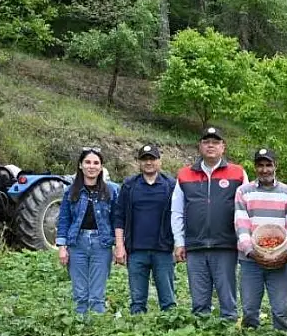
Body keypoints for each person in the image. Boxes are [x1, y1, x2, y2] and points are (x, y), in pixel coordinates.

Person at [171, 127, 249, 319]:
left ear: (223, 147)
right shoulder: (185, 174)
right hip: (195, 246)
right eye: (206, 142)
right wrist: (179, 241)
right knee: (199, 302)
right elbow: (177, 210)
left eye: (215, 142)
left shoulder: (238, 173)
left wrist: (244, 239)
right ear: (200, 146)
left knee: (228, 301)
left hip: (226, 245)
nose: (211, 146)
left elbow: (246, 209)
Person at [234, 148, 287, 330]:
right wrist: (251, 252)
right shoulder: (243, 192)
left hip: (279, 259)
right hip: (250, 260)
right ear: (255, 167)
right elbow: (241, 225)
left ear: (275, 166)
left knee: (281, 308)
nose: (264, 170)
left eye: (268, 165)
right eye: (260, 165)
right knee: (249, 308)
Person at [113, 144, 177, 314]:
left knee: (168, 301)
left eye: (152, 158)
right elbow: (119, 217)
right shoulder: (129, 185)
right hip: (136, 250)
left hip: (163, 249)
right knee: (137, 302)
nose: (148, 162)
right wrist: (119, 245)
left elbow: (179, 216)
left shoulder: (171, 185)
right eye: (144, 159)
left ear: (159, 161)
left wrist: (178, 244)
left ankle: (170, 331)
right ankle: (137, 333)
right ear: (139, 162)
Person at [56, 147, 119, 314]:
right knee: (80, 294)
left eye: (96, 163)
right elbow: (64, 220)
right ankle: (80, 330)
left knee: (97, 295)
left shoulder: (111, 191)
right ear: (80, 165)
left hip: (102, 244)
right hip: (77, 244)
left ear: (101, 167)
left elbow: (117, 220)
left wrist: (118, 244)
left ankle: (97, 332)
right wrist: (62, 247)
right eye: (88, 162)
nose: (92, 166)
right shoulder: (71, 191)